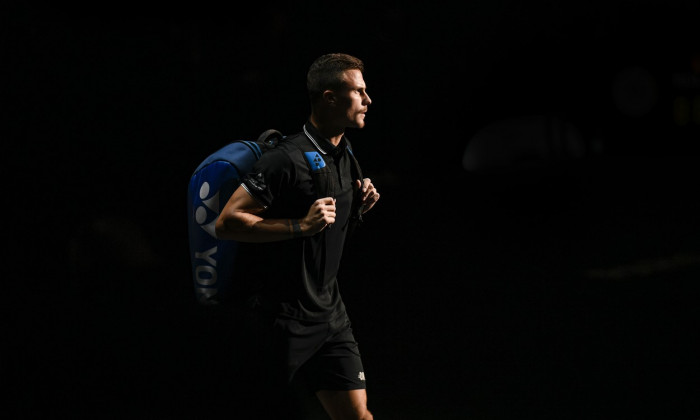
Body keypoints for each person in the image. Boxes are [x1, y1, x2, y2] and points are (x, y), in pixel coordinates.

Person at [215, 53, 379, 420]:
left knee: (358, 417)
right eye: (359, 92)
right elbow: (227, 223)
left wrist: (359, 205)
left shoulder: (345, 154)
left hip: (331, 315)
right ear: (329, 97)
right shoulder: (284, 159)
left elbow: (330, 224)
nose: (368, 101)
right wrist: (299, 225)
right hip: (281, 322)